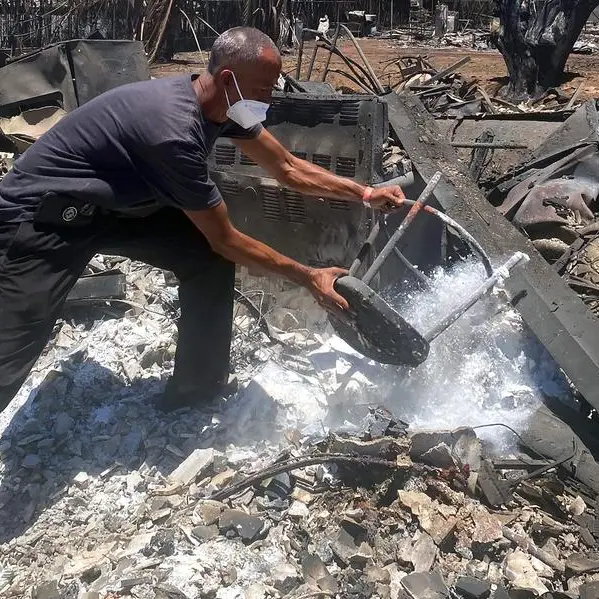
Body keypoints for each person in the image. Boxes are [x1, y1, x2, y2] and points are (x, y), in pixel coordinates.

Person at [0, 27, 405, 412]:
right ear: (229, 78)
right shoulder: (173, 132)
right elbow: (225, 238)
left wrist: (365, 194)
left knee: (205, 258)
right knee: (14, 344)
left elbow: (287, 168)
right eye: (264, 89)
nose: (270, 99)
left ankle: (197, 391)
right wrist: (308, 276)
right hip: (43, 217)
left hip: (111, 208)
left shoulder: (222, 105)